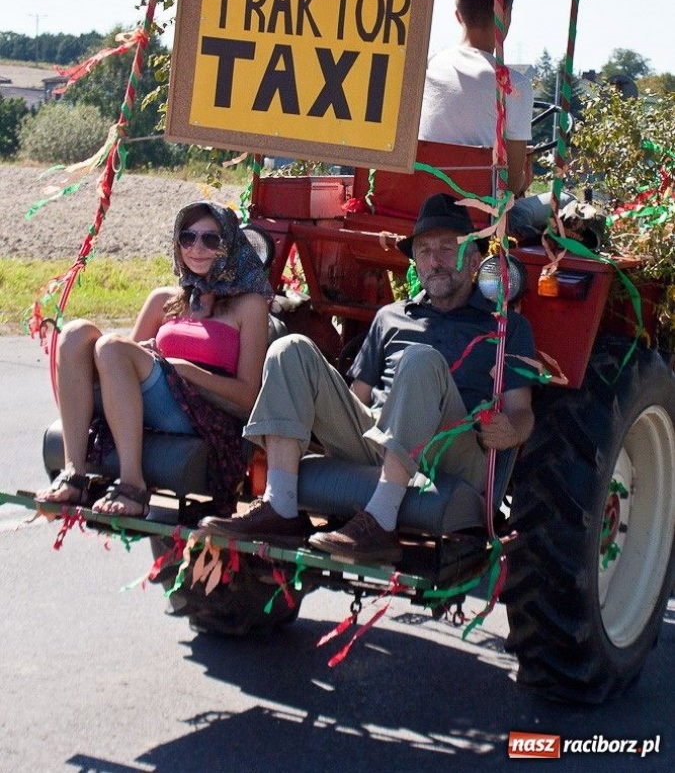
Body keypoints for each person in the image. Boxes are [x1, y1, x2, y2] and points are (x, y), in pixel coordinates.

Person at [199, 193, 537, 564]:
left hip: (451, 452)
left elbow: (522, 412)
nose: (435, 261)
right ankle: (280, 509)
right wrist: (315, 419)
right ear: (415, 263)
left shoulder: (506, 327)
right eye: (424, 251)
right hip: (378, 439)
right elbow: (357, 399)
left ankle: (380, 521)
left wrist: (512, 430)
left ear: (473, 260)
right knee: (290, 348)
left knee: (420, 359)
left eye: (447, 249)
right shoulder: (390, 317)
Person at [36, 201, 272, 518]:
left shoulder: (250, 305)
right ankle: (74, 474)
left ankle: (133, 486)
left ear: (229, 244)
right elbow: (116, 365)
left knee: (113, 346)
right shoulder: (163, 299)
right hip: (149, 400)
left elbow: (247, 398)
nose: (196, 248)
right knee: (76, 333)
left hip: (203, 412)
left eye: (210, 239)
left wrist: (180, 368)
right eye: (187, 238)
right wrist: (147, 358)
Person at [418, 0, 534, 197]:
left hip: (418, 200)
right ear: (505, 14)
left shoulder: (426, 66)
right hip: (481, 212)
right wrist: (523, 179)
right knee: (565, 201)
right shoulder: (512, 85)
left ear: (458, 15)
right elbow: (510, 185)